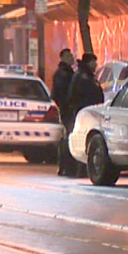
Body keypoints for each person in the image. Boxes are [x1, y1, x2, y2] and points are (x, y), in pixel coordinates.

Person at [65, 53, 104, 177]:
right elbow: (75, 95)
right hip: (83, 113)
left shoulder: (89, 76)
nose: (96, 65)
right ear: (88, 62)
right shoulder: (81, 77)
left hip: (91, 113)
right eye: (94, 62)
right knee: (82, 139)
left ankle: (82, 169)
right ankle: (76, 169)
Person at [51, 48, 76, 176]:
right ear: (63, 58)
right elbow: (59, 94)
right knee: (67, 138)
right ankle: (66, 166)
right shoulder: (63, 74)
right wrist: (67, 107)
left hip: (67, 110)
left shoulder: (67, 73)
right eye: (69, 56)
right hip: (67, 111)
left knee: (67, 137)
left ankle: (65, 166)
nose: (72, 58)